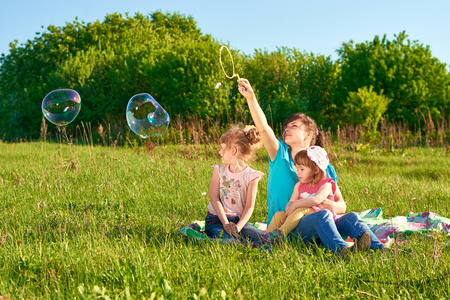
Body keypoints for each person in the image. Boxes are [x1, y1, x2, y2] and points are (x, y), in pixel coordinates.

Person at [238, 78, 386, 256]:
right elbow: (263, 128)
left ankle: (380, 251)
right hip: (289, 229)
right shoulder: (280, 155)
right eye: (285, 127)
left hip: (325, 226)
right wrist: (251, 98)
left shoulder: (324, 166)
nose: (287, 129)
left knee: (352, 217)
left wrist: (323, 203)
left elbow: (341, 206)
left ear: (309, 134)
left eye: (294, 126)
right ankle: (342, 252)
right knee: (321, 217)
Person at [259, 146, 343, 244]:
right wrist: (289, 207)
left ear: (316, 170)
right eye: (296, 168)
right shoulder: (299, 185)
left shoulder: (326, 184)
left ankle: (280, 234)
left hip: (318, 219)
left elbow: (316, 200)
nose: (298, 172)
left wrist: (296, 204)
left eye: (302, 169)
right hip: (301, 220)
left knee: (302, 208)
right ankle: (265, 240)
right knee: (278, 215)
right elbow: (291, 201)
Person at [204, 125, 265, 243]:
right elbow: (214, 198)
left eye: (222, 148)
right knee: (231, 241)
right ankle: (241, 243)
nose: (219, 152)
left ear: (233, 150)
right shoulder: (218, 171)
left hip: (239, 222)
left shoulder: (252, 176)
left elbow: (249, 207)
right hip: (216, 220)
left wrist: (238, 227)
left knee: (263, 238)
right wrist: (225, 223)